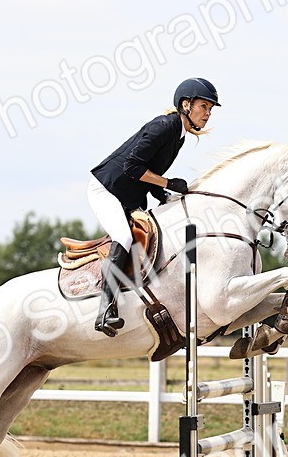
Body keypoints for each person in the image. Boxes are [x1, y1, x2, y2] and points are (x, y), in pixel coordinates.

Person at [88, 77, 220, 336]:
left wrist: (167, 195)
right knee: (124, 237)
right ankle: (104, 309)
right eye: (204, 106)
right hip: (107, 189)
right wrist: (168, 182)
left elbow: (149, 172)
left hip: (128, 193)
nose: (208, 114)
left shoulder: (178, 135)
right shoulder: (164, 125)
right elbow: (133, 167)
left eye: (210, 109)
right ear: (186, 104)